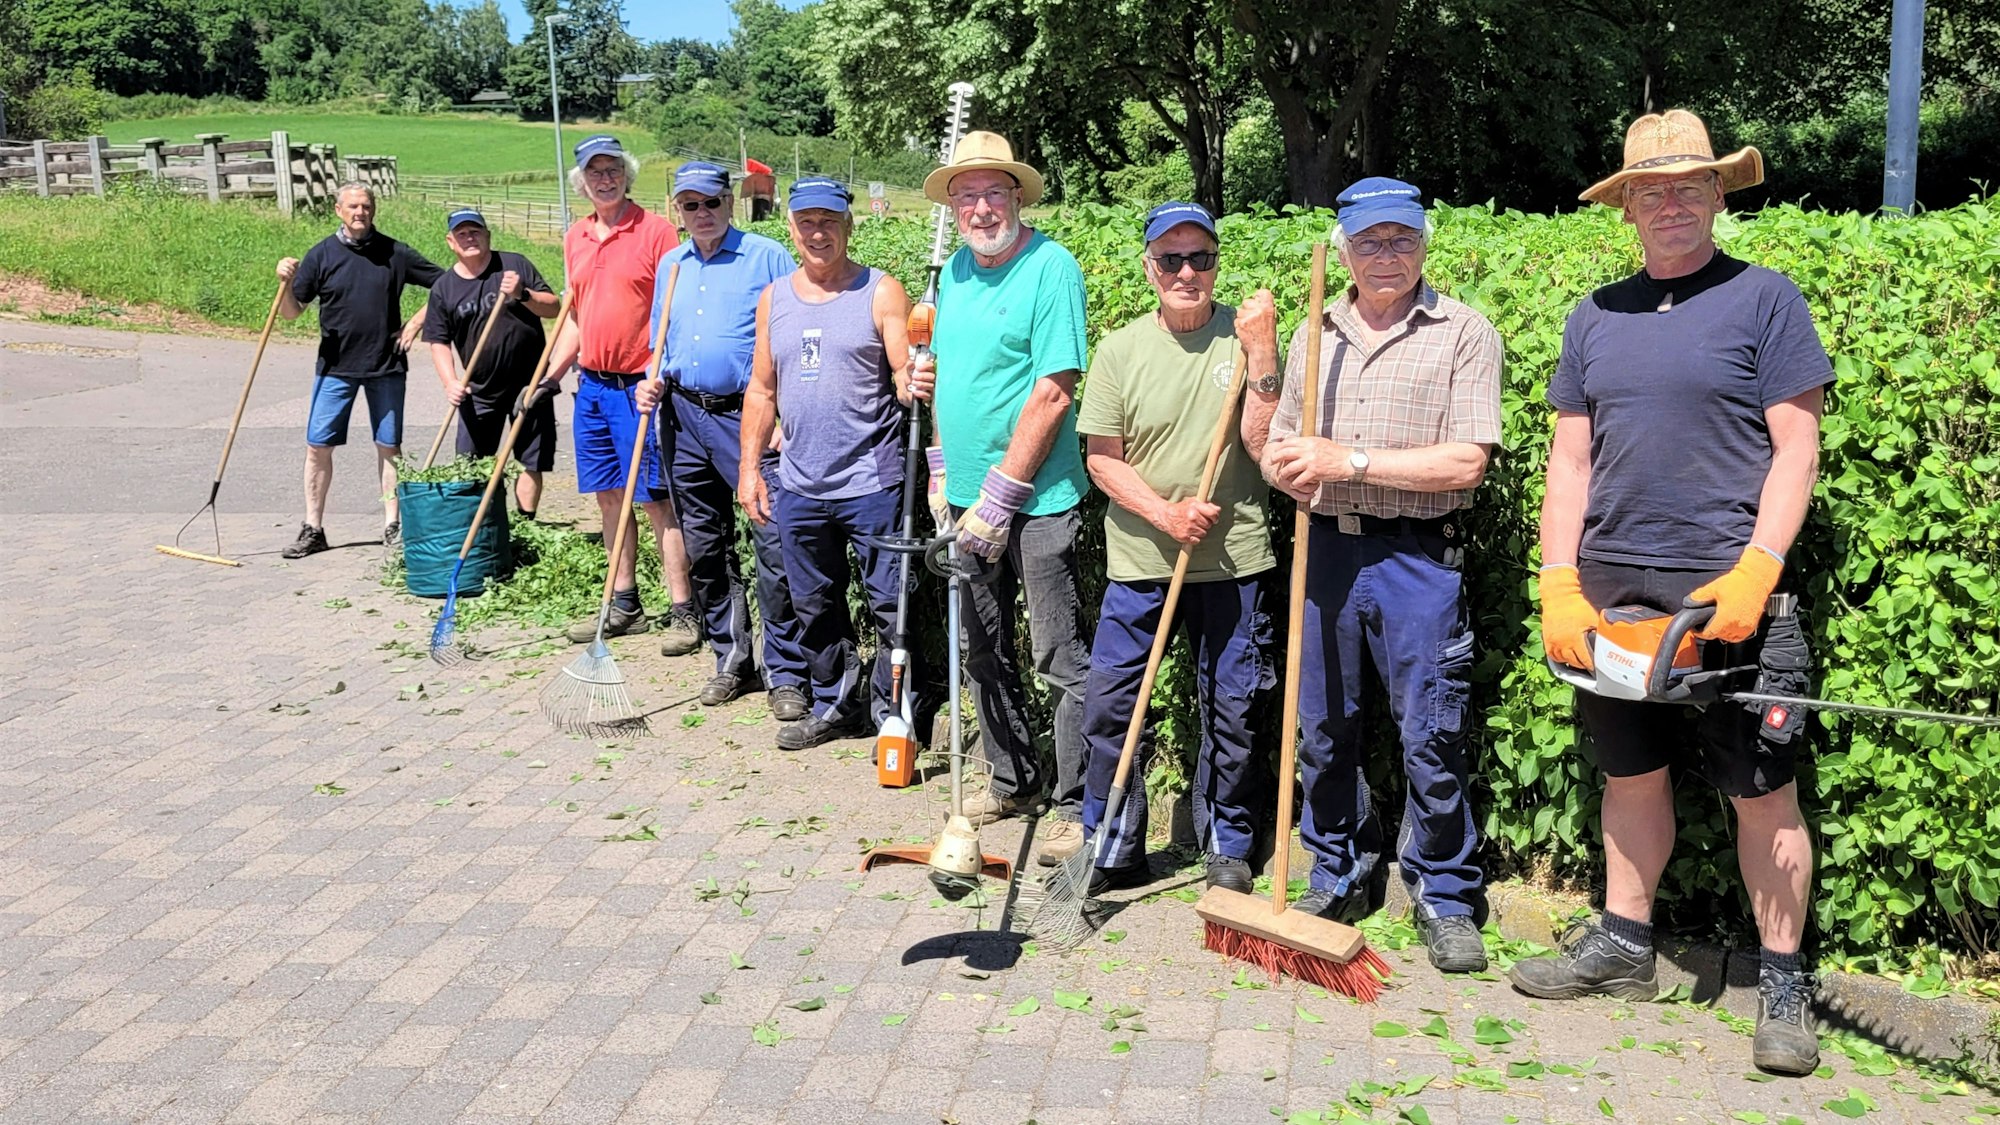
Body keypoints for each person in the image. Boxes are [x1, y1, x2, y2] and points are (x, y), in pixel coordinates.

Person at [1510, 110, 1832, 1077]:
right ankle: (1622, 944)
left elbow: (1797, 446)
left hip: (1731, 597)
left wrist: (1758, 570)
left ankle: (1782, 980)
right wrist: (1558, 583)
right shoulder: (1595, 314)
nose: (1671, 202)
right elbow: (1570, 460)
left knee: (1761, 791)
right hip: (1614, 593)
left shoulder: (1765, 300)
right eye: (1651, 189)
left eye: (1690, 185)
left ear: (1719, 195)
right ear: (1626, 208)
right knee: (1628, 774)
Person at [1243, 176, 1503, 974]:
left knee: (1432, 732)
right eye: (1370, 242)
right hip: (1326, 550)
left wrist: (1346, 459)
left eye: (1402, 238)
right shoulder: (1315, 334)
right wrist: (1290, 465)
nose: (1386, 255)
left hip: (1417, 555)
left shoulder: (1463, 331)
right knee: (1321, 729)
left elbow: (1467, 462)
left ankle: (1446, 895)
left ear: (1424, 241)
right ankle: (1337, 870)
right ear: (1345, 250)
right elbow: (1280, 445)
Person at [1075, 202, 1277, 895]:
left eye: (1201, 258)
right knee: (1112, 704)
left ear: (1217, 264)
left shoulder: (1244, 340)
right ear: (1148, 267)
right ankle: (1112, 841)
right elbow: (1102, 459)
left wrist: (1267, 354)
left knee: (1234, 705)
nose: (1187, 272)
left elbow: (1266, 446)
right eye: (1171, 259)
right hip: (1141, 560)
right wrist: (1166, 512)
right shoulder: (1120, 350)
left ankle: (1229, 843)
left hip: (1234, 558)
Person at [914, 132, 1092, 867]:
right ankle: (1014, 779)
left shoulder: (1052, 268)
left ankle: (1085, 805)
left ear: (1018, 197)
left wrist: (998, 499)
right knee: (978, 648)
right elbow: (948, 389)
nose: (981, 208)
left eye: (995, 193)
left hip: (1039, 499)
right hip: (962, 498)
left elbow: (1053, 393)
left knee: (1059, 654)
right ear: (953, 207)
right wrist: (937, 473)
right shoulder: (951, 274)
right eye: (967, 195)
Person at [739, 178, 928, 749]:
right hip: (798, 482)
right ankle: (833, 702)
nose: (818, 232)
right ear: (790, 229)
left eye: (829, 221)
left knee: (890, 602)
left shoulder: (880, 291)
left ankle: (897, 713)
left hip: (872, 481)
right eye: (806, 222)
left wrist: (912, 377)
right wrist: (750, 468)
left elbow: (902, 371)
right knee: (813, 603)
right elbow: (761, 390)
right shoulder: (775, 297)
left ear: (848, 225)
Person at [634, 162, 807, 715]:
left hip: (747, 417)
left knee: (772, 543)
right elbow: (662, 338)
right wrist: (650, 379)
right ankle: (731, 658)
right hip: (682, 417)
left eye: (710, 203)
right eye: (690, 206)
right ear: (678, 212)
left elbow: (793, 337)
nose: (701, 214)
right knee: (705, 545)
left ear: (728, 203)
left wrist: (783, 413)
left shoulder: (766, 258)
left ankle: (787, 673)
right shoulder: (672, 265)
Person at [542, 135, 699, 656]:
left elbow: (675, 308)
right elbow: (578, 318)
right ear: (581, 181)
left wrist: (658, 372)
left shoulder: (655, 231)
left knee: (654, 499)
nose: (603, 179)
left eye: (612, 170)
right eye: (594, 171)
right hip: (592, 386)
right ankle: (624, 601)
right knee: (609, 496)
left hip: (639, 387)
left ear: (626, 175)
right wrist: (548, 374)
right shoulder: (576, 237)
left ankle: (684, 609)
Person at [275, 181, 441, 557]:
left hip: (386, 365)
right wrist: (285, 284)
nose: (359, 213)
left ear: (374, 210)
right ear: (338, 210)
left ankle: (392, 525)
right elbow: (291, 311)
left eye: (365, 206)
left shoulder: (394, 252)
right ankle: (313, 528)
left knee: (389, 446)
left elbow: (447, 283)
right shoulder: (321, 255)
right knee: (318, 446)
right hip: (335, 368)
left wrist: (415, 324)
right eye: (352, 206)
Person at [422, 209, 561, 517]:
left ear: (487, 235)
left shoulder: (513, 265)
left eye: (475, 232)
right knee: (471, 463)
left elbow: (554, 308)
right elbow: (438, 342)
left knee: (531, 461)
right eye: (462, 234)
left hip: (529, 383)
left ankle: (526, 524)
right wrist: (450, 383)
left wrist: (522, 294)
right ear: (450, 241)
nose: (470, 238)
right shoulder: (444, 288)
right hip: (479, 391)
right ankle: (484, 528)